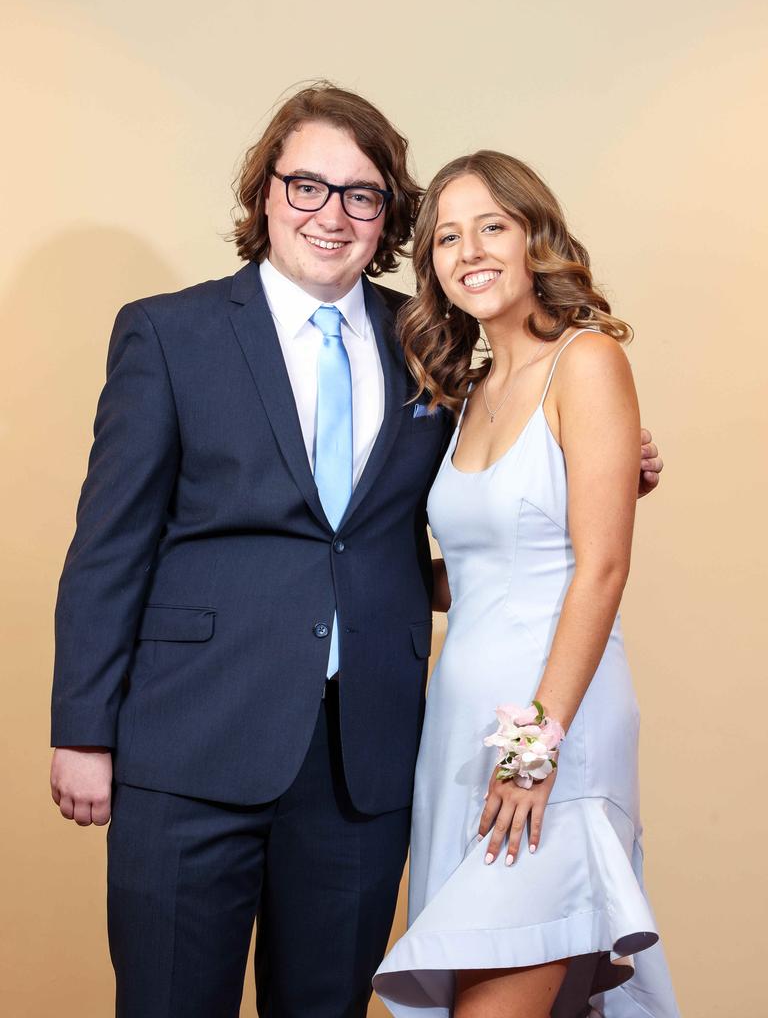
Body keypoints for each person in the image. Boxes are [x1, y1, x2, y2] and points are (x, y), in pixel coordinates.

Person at [49, 85, 663, 1017]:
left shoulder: (428, 346)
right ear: (265, 195)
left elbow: (516, 510)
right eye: (307, 186)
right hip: (189, 751)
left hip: (363, 769)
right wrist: (83, 729)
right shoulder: (170, 334)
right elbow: (110, 546)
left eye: (362, 195)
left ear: (387, 218)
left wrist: (616, 469)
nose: (332, 215)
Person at [374, 153, 679, 1017]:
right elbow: (469, 572)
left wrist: (533, 751)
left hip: (552, 732)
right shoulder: (466, 391)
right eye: (445, 237)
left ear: (534, 235)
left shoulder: (585, 362)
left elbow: (603, 567)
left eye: (491, 227)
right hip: (458, 734)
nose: (468, 250)